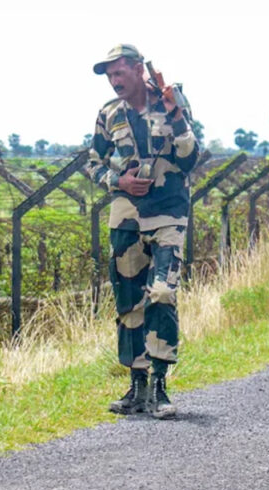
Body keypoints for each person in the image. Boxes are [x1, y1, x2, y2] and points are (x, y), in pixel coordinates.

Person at [84, 44, 199, 419]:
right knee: (128, 301)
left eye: (120, 73)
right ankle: (137, 386)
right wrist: (118, 180)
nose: (114, 81)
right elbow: (92, 163)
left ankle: (162, 385)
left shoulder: (170, 101)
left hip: (168, 213)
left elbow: (190, 156)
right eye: (110, 75)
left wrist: (175, 113)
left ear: (138, 70)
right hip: (126, 215)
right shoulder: (108, 114)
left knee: (162, 293)